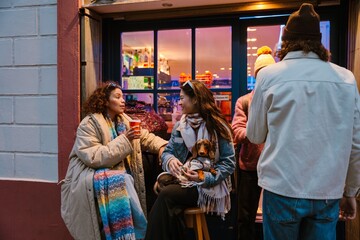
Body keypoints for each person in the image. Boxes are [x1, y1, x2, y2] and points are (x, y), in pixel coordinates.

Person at [247, 3, 360, 240]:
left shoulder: (268, 76)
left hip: (281, 187)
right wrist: (351, 192)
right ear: (319, 42)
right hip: (328, 190)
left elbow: (255, 135)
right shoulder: (346, 79)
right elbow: (355, 143)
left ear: (286, 42)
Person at [61, 81, 168, 240]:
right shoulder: (89, 124)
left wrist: (162, 147)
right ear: (105, 101)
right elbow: (94, 157)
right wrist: (125, 140)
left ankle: (138, 234)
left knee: (125, 179)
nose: (123, 100)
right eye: (117, 97)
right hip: (89, 180)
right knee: (123, 179)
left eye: (123, 96)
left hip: (119, 179)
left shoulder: (124, 121)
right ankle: (143, 233)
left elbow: (145, 138)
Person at [145, 80, 236, 240]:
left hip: (209, 186)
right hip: (184, 180)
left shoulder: (218, 127)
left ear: (195, 99)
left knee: (166, 195)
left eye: (182, 98)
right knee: (168, 204)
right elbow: (168, 152)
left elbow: (228, 163)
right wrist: (170, 160)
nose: (179, 103)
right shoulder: (181, 127)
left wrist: (203, 177)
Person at [231, 46, 275, 240]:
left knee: (275, 216)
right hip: (250, 166)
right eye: (261, 73)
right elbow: (237, 131)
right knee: (245, 216)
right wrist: (255, 126)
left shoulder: (279, 99)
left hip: (276, 166)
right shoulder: (245, 101)